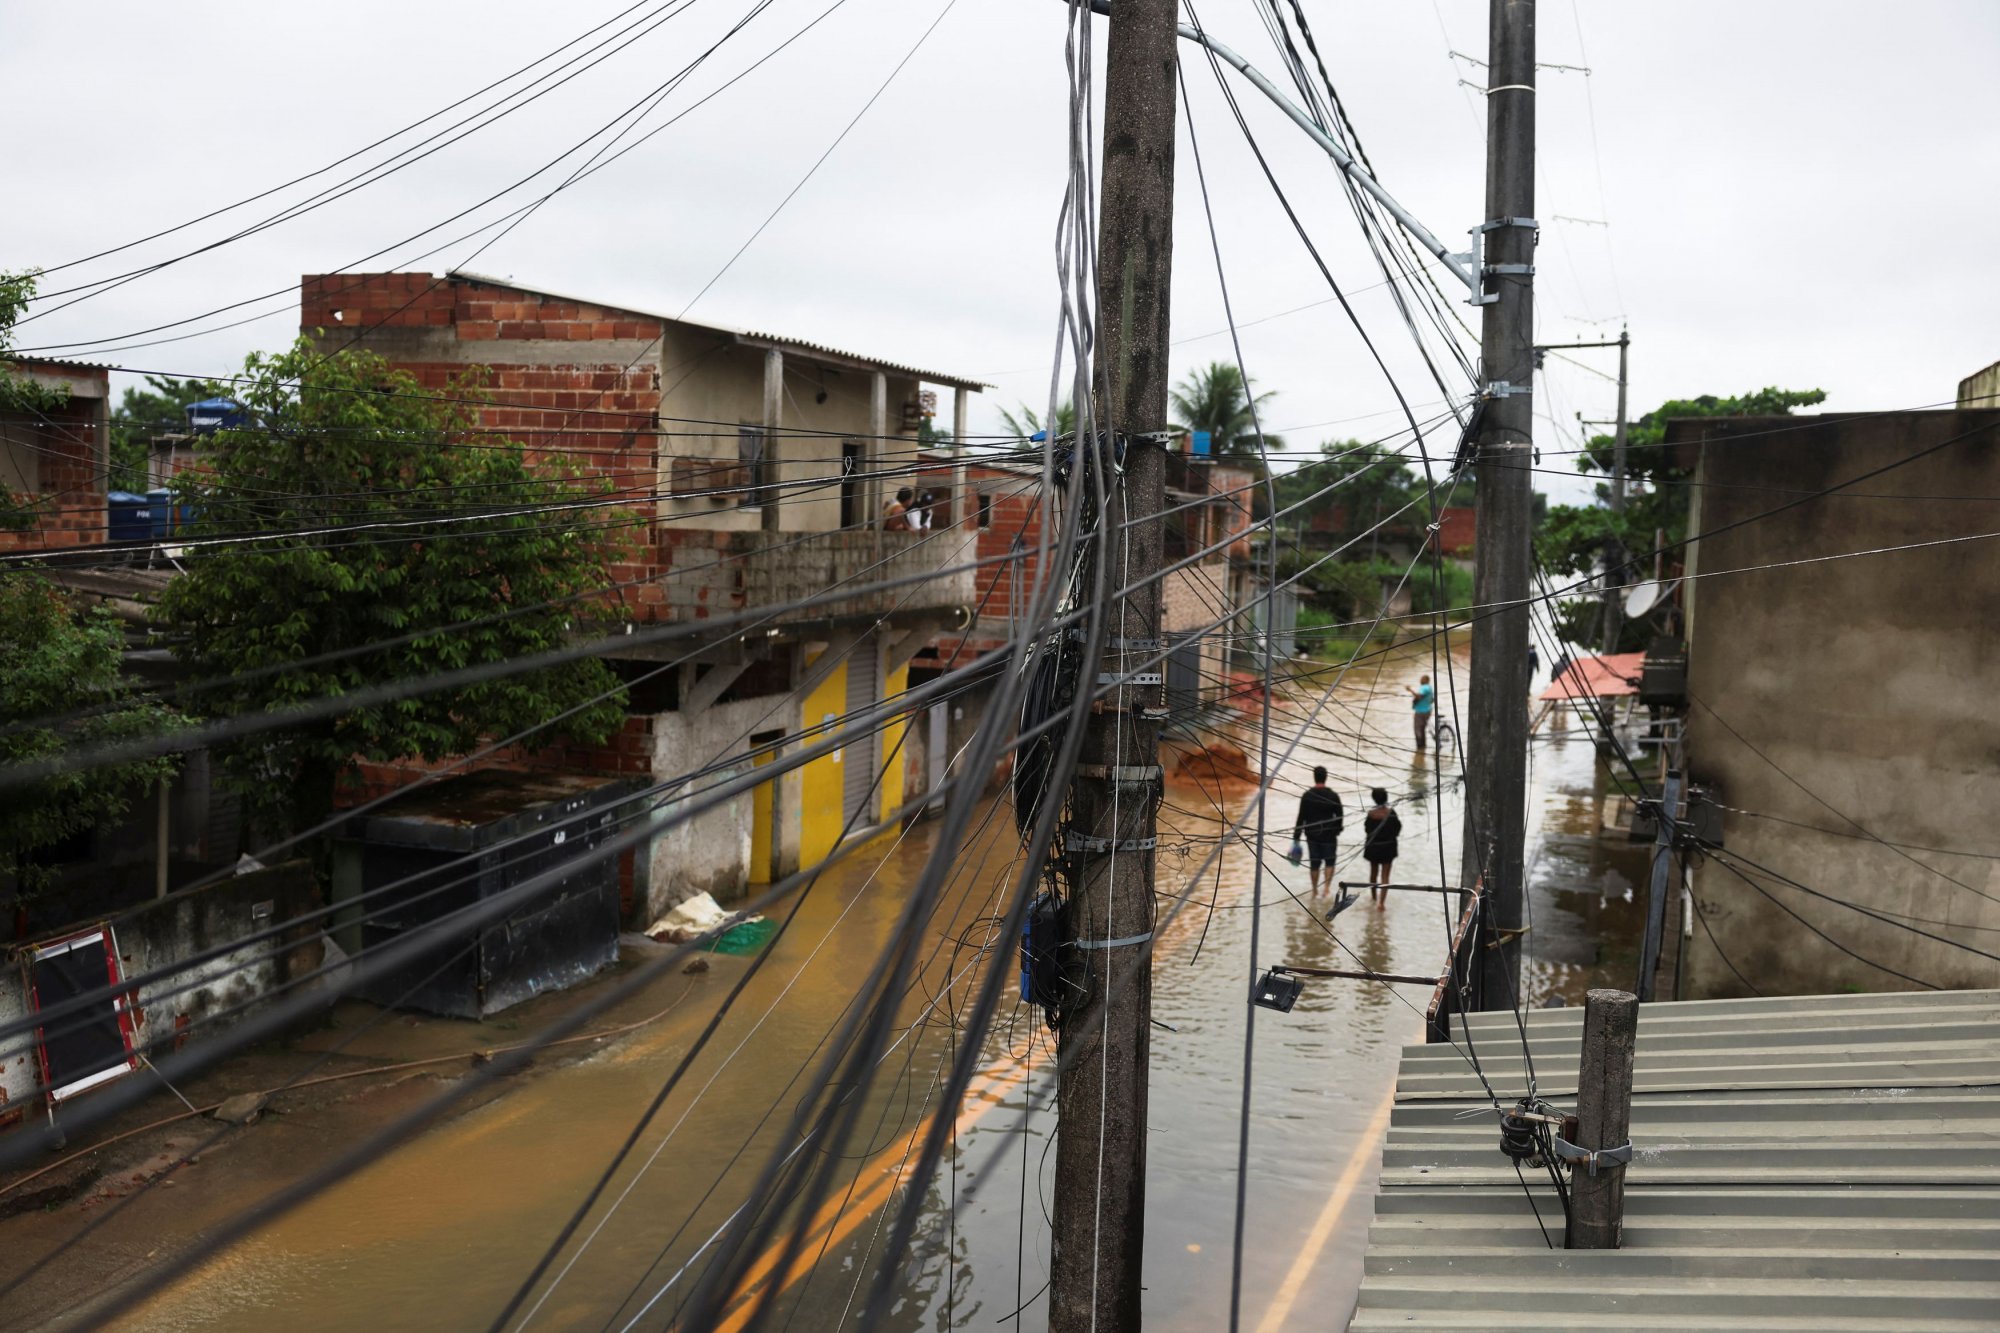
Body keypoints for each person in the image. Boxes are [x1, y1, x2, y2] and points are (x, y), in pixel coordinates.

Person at [1292, 765, 1344, 896]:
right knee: (1329, 861)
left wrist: (1296, 836)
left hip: (1312, 835)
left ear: (1314, 777)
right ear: (1326, 777)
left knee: (1314, 863)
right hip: (1329, 835)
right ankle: (1326, 888)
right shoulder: (1333, 795)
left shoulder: (1307, 796)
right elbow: (1340, 816)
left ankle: (1314, 890)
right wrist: (1337, 830)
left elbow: (1301, 817)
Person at [1361, 787, 1402, 908]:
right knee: (1385, 876)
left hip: (1373, 847)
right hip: (1388, 848)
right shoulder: (1391, 813)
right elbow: (1397, 829)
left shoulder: (1371, 814)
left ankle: (1374, 898)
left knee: (1373, 873)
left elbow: (1367, 830)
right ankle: (1381, 903)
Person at [1407, 674, 1436, 752]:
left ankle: (1419, 749)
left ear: (1426, 680)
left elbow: (1419, 696)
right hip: (1428, 711)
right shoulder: (1430, 688)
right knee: (1422, 729)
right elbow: (1432, 700)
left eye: (1422, 679)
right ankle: (1423, 747)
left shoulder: (1424, 687)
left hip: (1421, 712)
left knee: (1417, 729)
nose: (1420, 680)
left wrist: (1410, 690)